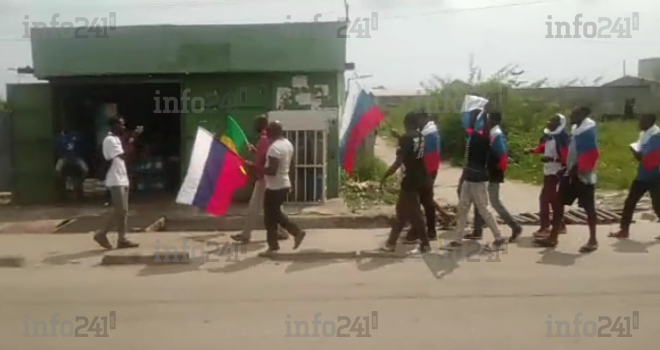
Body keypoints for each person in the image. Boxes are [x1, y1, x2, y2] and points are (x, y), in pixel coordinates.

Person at [534, 107, 600, 252]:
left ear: (583, 115)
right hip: (570, 173)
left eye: (575, 114)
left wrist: (576, 170)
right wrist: (568, 170)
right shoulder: (577, 130)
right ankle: (553, 237)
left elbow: (592, 154)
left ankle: (593, 240)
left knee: (589, 208)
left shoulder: (587, 132)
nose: (571, 115)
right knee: (558, 204)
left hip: (583, 176)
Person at [445, 111, 507, 251]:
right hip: (470, 177)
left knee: (484, 209)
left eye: (472, 118)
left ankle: (499, 238)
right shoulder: (474, 136)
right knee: (463, 208)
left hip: (478, 179)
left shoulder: (483, 137)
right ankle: (457, 240)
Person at [377, 111, 432, 254]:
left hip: (411, 180)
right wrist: (399, 138)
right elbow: (411, 149)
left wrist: (385, 176)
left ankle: (425, 244)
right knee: (403, 213)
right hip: (423, 177)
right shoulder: (420, 136)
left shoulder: (406, 138)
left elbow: (399, 161)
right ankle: (391, 243)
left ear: (406, 123)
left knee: (414, 214)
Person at [465, 112, 522, 242]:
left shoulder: (496, 134)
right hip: (488, 171)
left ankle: (515, 226)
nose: (486, 121)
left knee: (493, 201)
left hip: (493, 172)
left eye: (489, 119)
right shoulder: (491, 132)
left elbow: (502, 155)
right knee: (479, 200)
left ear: (494, 120)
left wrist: (494, 170)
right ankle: (477, 230)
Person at [231, 115, 289, 243]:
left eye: (256, 124)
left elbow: (264, 160)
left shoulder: (263, 139)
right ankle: (284, 231)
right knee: (276, 207)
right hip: (270, 178)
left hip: (263, 178)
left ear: (261, 125)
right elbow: (266, 156)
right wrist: (254, 151)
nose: (254, 127)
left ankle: (246, 235)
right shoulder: (269, 139)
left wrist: (251, 165)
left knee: (254, 207)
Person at [609, 114, 660, 239]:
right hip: (644, 174)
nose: (639, 123)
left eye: (642, 121)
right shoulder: (646, 134)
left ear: (650, 122)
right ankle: (624, 230)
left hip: (655, 175)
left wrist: (634, 151)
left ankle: (624, 230)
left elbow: (646, 157)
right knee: (631, 202)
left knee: (656, 204)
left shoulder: (656, 136)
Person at [258, 121, 306, 256]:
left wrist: (256, 167)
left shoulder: (274, 148)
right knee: (275, 214)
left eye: (267, 131)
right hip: (283, 183)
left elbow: (272, 170)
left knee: (270, 218)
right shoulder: (287, 144)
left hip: (275, 186)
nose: (266, 134)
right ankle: (293, 234)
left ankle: (277, 245)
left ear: (272, 132)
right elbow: (289, 166)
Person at [93, 117, 141, 250]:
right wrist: (132, 138)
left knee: (124, 211)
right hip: (114, 179)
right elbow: (123, 155)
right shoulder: (109, 140)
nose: (123, 127)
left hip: (122, 177)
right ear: (113, 126)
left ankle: (122, 239)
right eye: (121, 124)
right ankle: (101, 234)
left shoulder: (117, 140)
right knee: (120, 210)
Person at [525, 114, 569, 238]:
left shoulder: (563, 139)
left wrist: (552, 158)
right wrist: (532, 150)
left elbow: (566, 158)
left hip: (557, 172)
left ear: (560, 124)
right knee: (553, 199)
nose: (549, 122)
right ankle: (560, 224)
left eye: (553, 121)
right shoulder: (549, 137)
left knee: (544, 199)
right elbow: (543, 148)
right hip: (549, 171)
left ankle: (545, 227)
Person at [403, 111, 439, 244]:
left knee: (417, 203)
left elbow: (419, 153)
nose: (418, 122)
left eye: (419, 119)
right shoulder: (428, 131)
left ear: (425, 118)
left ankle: (418, 232)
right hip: (427, 170)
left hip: (425, 170)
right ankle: (429, 232)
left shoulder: (428, 133)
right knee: (427, 202)